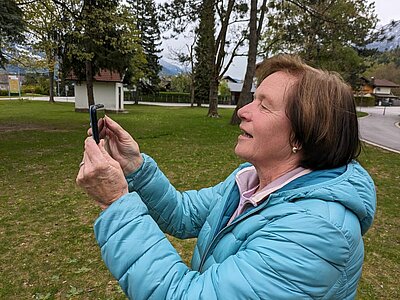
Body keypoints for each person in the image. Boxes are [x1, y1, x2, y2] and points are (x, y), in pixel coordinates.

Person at [76, 54, 376, 299]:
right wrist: (135, 168)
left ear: (302, 134)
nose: (243, 110)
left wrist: (117, 203)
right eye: (252, 99)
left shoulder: (316, 232)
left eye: (264, 105)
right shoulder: (251, 180)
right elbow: (184, 214)